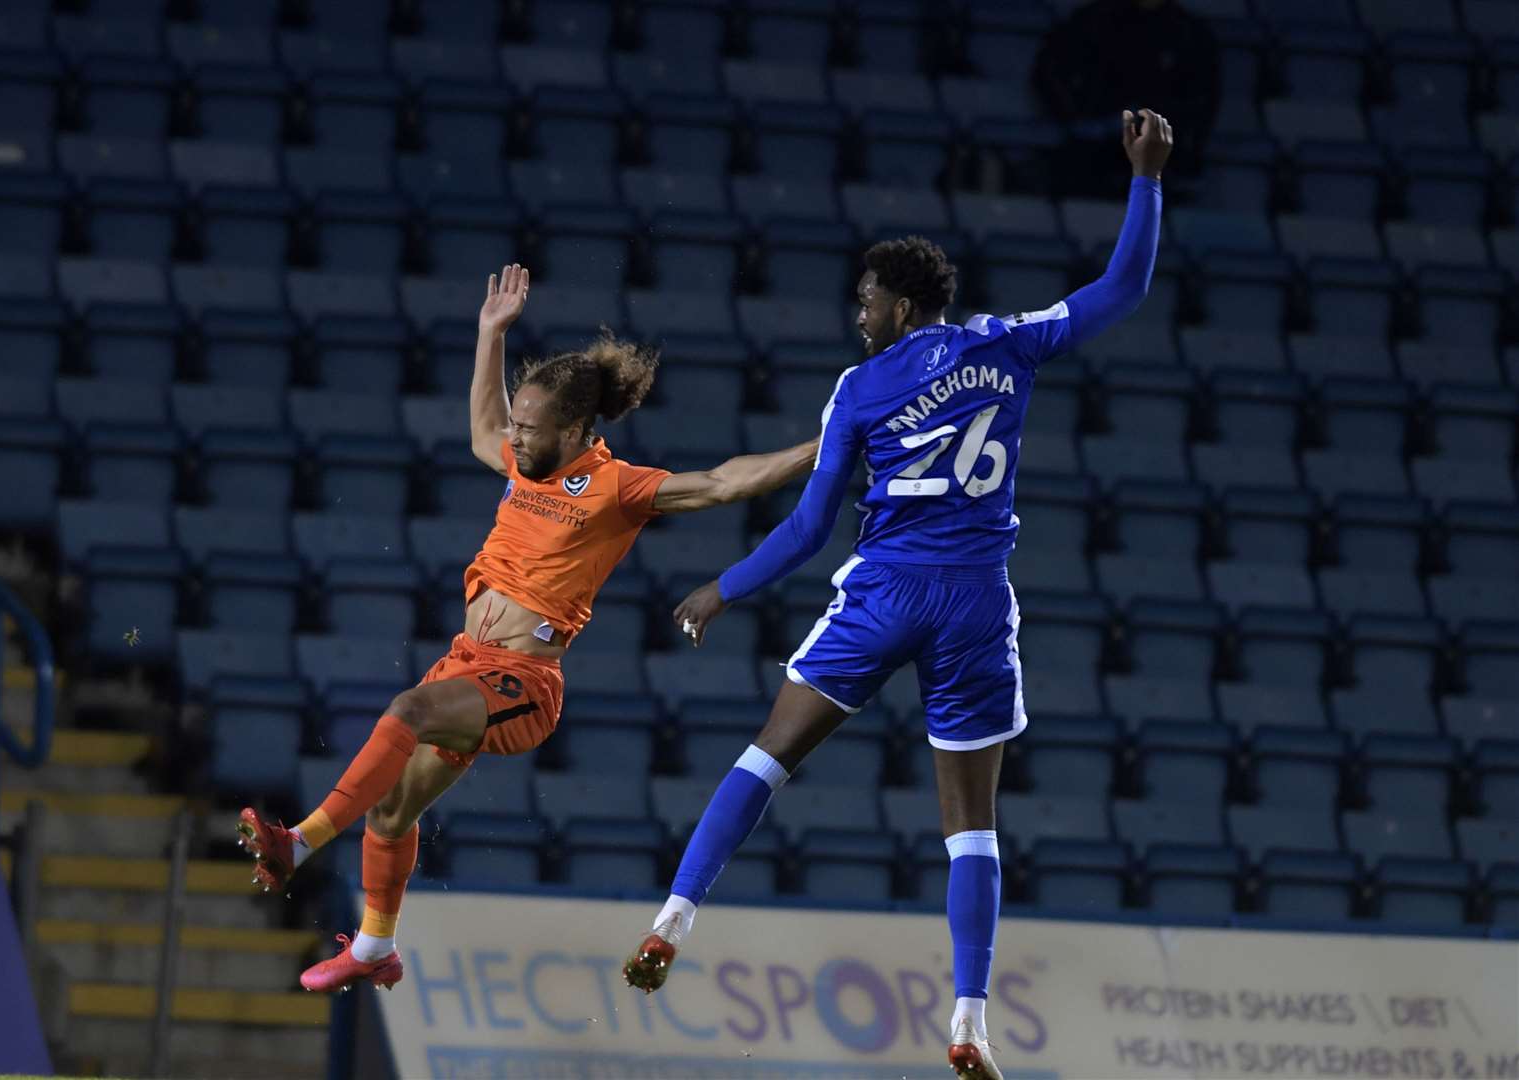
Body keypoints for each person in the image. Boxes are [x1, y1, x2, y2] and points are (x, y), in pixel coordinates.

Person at [623, 111, 1173, 1080]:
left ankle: (674, 917)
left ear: (903, 305)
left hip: (884, 591)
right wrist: (1146, 178)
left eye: (868, 298)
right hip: (973, 605)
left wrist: (725, 587)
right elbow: (1124, 286)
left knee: (768, 755)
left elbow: (806, 528)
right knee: (970, 825)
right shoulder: (1009, 345)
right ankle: (969, 1022)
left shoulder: (859, 388)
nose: (860, 313)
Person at [236, 264, 819, 993]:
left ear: (575, 430)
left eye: (533, 428)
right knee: (391, 811)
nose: (517, 434)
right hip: (467, 662)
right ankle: (374, 949)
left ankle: (297, 842)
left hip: (525, 683)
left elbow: (725, 480)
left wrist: (824, 445)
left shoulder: (617, 488)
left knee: (406, 712)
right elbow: (483, 425)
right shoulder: (523, 459)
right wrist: (490, 335)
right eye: (520, 421)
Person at [1033, 0, 1215, 194]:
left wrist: (1183, 138)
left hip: (1163, 161)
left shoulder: (1189, 32)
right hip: (1092, 153)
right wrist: (1077, 119)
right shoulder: (1092, 21)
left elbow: (1204, 98)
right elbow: (1048, 73)